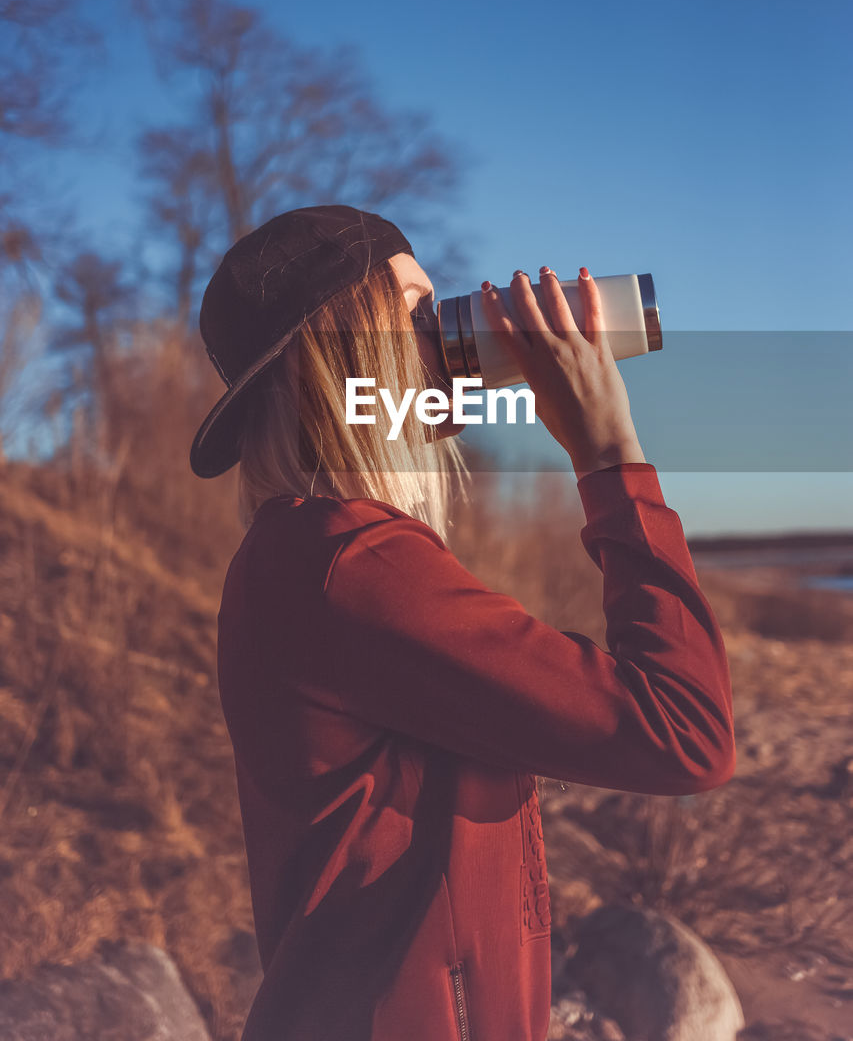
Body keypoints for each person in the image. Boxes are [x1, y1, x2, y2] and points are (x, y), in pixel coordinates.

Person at [189, 203, 736, 1041]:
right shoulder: (346, 566)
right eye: (416, 313)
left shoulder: (314, 557)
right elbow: (685, 732)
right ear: (342, 354)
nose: (449, 338)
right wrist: (608, 451)